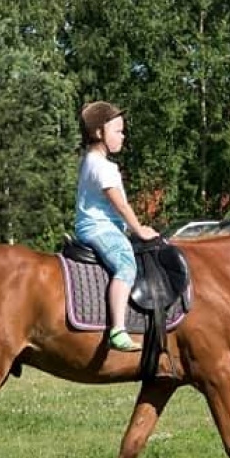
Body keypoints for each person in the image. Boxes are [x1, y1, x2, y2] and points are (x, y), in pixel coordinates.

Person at [75, 101, 159, 352]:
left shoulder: (89, 160)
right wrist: (139, 229)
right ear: (99, 132)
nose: (123, 136)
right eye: (118, 131)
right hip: (101, 228)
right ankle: (118, 329)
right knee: (125, 264)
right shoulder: (103, 167)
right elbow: (120, 205)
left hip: (93, 226)